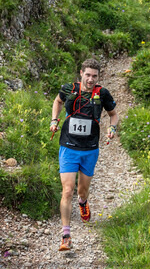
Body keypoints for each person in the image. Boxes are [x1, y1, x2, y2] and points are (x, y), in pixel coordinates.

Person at [49, 58, 118, 251]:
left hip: (90, 149)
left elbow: (113, 114)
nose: (90, 79)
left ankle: (83, 202)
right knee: (67, 190)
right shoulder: (69, 89)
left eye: (94, 76)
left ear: (98, 77)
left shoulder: (102, 93)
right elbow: (57, 101)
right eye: (87, 75)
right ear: (81, 73)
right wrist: (54, 120)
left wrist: (112, 128)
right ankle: (65, 236)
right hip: (68, 147)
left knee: (81, 191)